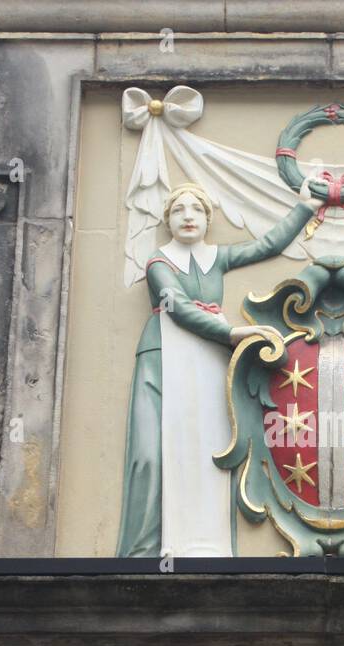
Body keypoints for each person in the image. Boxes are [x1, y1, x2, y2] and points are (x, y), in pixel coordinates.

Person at [117, 182, 318, 557]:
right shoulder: (159, 262)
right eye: (179, 210)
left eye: (196, 209)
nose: (188, 216)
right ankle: (145, 548)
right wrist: (231, 332)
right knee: (152, 451)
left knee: (208, 444)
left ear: (207, 219)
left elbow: (267, 246)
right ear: (168, 220)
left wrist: (305, 207)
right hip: (163, 356)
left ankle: (202, 541)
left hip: (208, 359)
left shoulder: (216, 258)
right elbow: (176, 305)